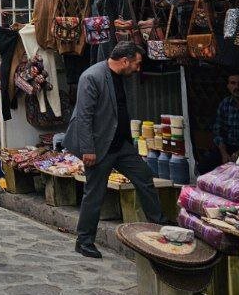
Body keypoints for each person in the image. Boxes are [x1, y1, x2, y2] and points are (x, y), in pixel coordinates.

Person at [63, 41, 165, 259]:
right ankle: (84, 240)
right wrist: (88, 149)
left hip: (121, 145)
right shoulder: (92, 77)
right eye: (137, 64)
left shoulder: (119, 77)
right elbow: (84, 116)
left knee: (144, 177)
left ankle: (159, 226)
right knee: (95, 194)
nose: (138, 68)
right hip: (99, 146)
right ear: (125, 61)